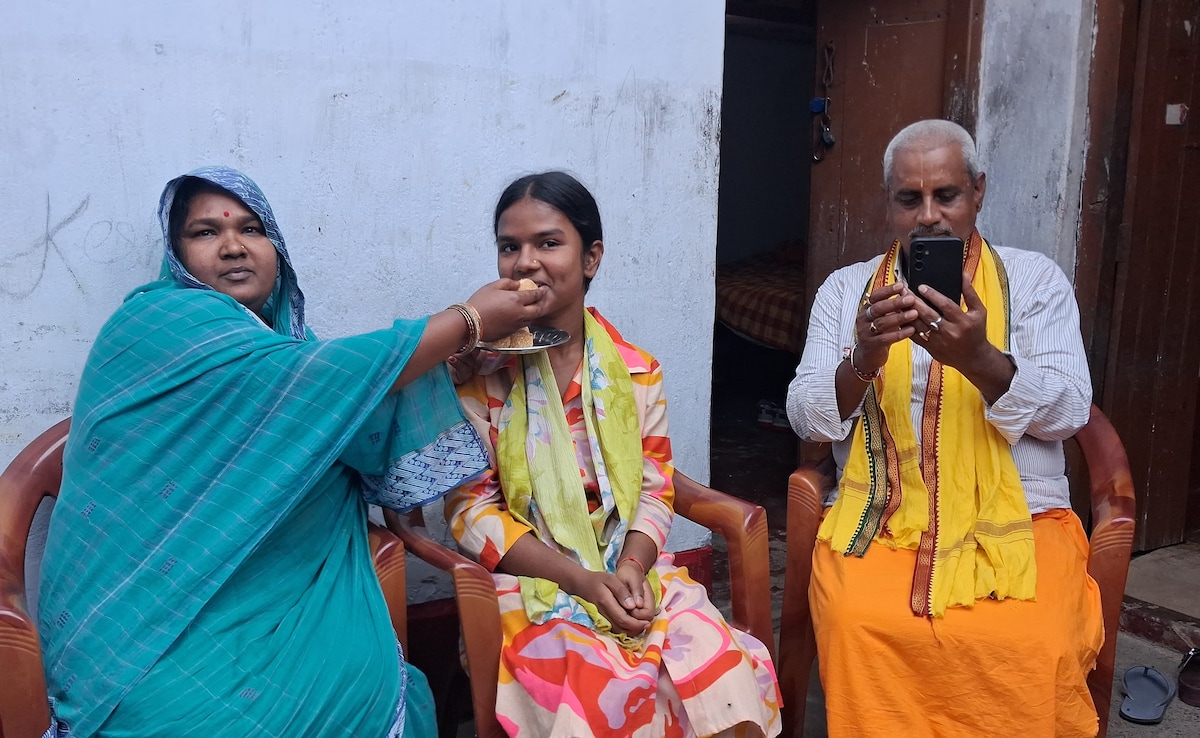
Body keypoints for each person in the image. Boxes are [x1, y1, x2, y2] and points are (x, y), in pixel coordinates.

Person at [36, 166, 545, 738]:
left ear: (276, 250)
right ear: (176, 255)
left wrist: (446, 367)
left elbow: (348, 397)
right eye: (205, 232)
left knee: (365, 678)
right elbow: (332, 379)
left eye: (252, 230)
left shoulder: (289, 354)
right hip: (144, 634)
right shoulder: (156, 323)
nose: (233, 246)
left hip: (277, 605)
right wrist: (465, 321)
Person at [786, 119, 1103, 736]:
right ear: (889, 204)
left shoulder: (1035, 282)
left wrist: (981, 360)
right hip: (883, 514)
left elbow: (1070, 413)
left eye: (947, 195)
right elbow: (806, 417)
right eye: (910, 199)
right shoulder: (848, 291)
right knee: (858, 624)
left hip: (1021, 519)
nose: (928, 216)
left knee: (1033, 639)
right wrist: (864, 359)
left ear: (978, 191)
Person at [444, 171, 782, 737]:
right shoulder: (481, 375)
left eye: (548, 243)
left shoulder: (635, 372)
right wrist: (578, 579)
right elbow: (470, 511)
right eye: (509, 246)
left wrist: (629, 569)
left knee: (718, 668)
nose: (525, 263)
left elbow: (655, 488)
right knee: (601, 692)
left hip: (627, 568)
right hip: (530, 583)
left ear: (591, 258)